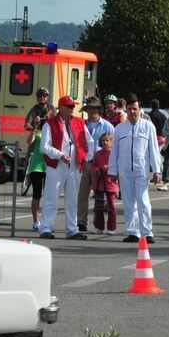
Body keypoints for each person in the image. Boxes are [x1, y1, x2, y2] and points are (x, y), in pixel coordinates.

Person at [109, 96, 163, 243]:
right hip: (124, 171)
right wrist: (112, 171)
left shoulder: (148, 126)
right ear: (126, 109)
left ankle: (147, 232)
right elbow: (114, 152)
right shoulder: (119, 128)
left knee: (143, 200)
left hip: (141, 170)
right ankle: (133, 232)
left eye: (135, 109)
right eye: (130, 109)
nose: (133, 111)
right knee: (128, 201)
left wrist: (157, 170)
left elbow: (154, 150)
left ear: (140, 109)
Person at [38, 96, 93, 240]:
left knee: (72, 199)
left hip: (74, 166)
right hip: (56, 166)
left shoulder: (80, 122)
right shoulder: (49, 124)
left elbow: (91, 142)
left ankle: (72, 229)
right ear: (61, 108)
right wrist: (60, 155)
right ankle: (45, 228)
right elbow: (44, 147)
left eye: (72, 107)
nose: (71, 110)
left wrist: (87, 158)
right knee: (51, 197)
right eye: (69, 107)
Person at [76, 97, 113, 232]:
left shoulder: (107, 126)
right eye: (89, 108)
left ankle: (102, 224)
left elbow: (113, 148)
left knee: (102, 196)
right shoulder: (81, 125)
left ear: (99, 110)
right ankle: (81, 222)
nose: (92, 111)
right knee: (82, 194)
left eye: (94, 108)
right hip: (85, 164)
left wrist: (111, 167)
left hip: (102, 165)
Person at [90, 131, 119, 235]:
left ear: (111, 141)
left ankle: (112, 228)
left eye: (107, 140)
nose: (105, 143)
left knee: (111, 207)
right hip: (100, 184)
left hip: (110, 183)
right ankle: (99, 227)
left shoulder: (114, 153)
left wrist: (106, 168)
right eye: (102, 141)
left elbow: (116, 165)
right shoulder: (97, 154)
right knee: (98, 207)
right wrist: (97, 170)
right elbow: (93, 166)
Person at [24, 122, 46, 232]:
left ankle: (46, 222)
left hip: (50, 167)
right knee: (36, 195)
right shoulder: (37, 131)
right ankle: (36, 222)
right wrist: (34, 127)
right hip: (36, 166)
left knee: (48, 196)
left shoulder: (53, 130)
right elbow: (29, 142)